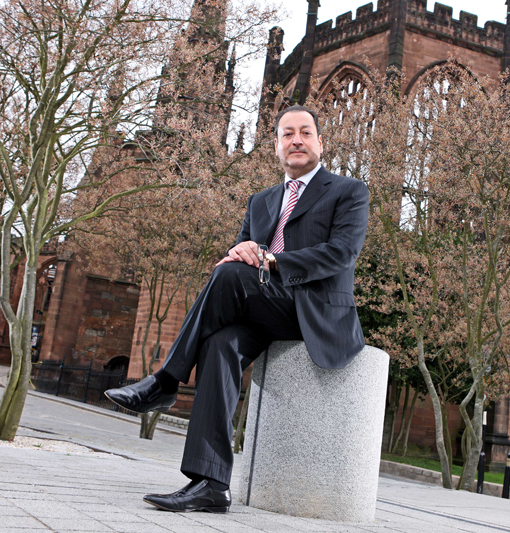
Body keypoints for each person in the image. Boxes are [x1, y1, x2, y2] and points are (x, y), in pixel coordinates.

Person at [104, 105, 370, 513]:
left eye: (305, 133)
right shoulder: (260, 200)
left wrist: (273, 259)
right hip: (264, 306)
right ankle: (209, 483)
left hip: (314, 311)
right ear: (276, 146)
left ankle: (165, 382)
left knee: (227, 277)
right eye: (287, 134)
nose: (296, 140)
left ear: (320, 143)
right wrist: (241, 249)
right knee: (221, 341)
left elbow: (342, 254)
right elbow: (244, 253)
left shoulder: (348, 191)